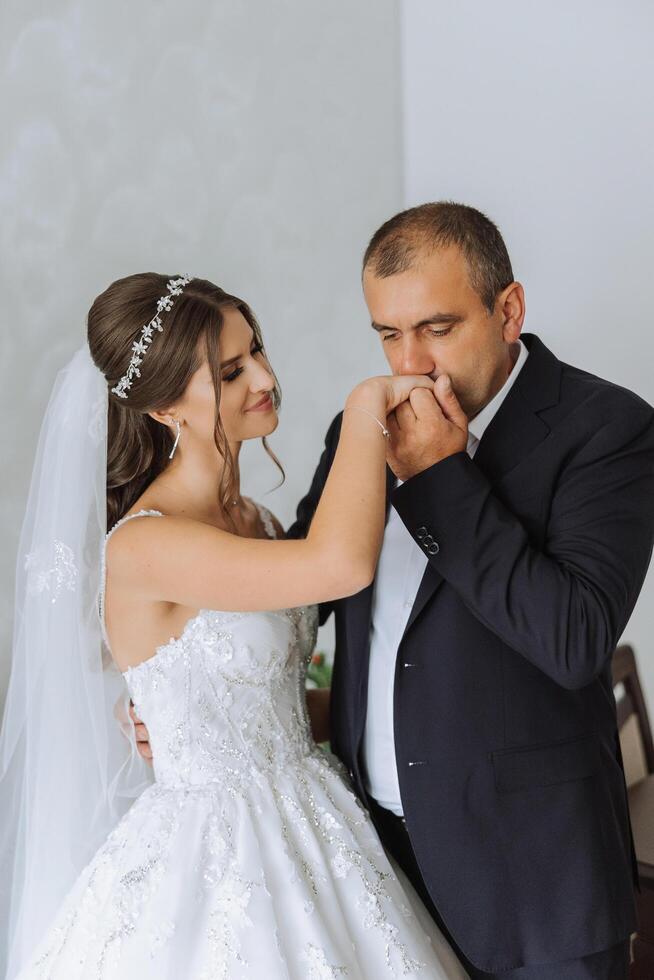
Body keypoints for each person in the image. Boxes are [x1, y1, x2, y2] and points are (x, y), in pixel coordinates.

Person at [0, 272, 470, 979]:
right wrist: (366, 402)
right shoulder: (144, 546)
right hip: (220, 853)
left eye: (257, 351)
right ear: (164, 408)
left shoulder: (258, 521)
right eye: (231, 371)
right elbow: (341, 564)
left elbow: (268, 704)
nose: (266, 377)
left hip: (316, 822)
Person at [283, 202, 654, 979]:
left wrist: (441, 477)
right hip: (375, 868)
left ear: (508, 309)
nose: (409, 362)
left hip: (536, 887)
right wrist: (182, 681)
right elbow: (300, 588)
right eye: (388, 334)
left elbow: (573, 639)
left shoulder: (609, 429)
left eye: (437, 328)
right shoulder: (360, 428)